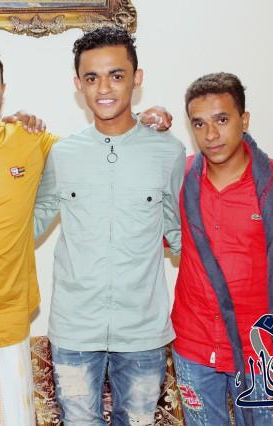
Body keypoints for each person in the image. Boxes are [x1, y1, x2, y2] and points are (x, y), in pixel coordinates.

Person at [0, 40, 171, 425]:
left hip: (6, 327)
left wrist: (142, 120)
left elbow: (99, 147)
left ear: (3, 90)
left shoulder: (32, 142)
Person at [33, 27, 185, 425]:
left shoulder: (168, 151)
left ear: (137, 78)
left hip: (143, 332)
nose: (104, 88)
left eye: (116, 75)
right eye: (92, 77)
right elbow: (29, 223)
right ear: (78, 84)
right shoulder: (62, 154)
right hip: (74, 330)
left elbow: (182, 234)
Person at [171, 72, 273, 426]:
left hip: (264, 350)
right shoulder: (180, 178)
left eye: (221, 120)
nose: (210, 134)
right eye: (199, 123)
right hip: (194, 345)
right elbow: (150, 235)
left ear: (244, 119)